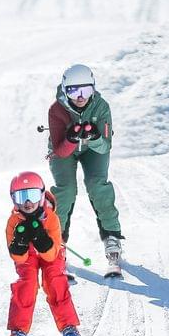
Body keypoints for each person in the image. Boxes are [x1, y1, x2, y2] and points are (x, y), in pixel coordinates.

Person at [47, 64, 124, 267]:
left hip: (93, 149)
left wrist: (95, 136)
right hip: (65, 148)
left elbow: (105, 146)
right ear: (64, 90)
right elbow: (60, 150)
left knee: (98, 185)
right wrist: (71, 138)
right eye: (73, 90)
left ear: (93, 88)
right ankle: (56, 242)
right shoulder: (57, 110)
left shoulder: (101, 106)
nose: (80, 97)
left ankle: (111, 235)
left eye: (86, 90)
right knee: (65, 190)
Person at [6, 171, 81, 336]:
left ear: (40, 195)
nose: (28, 203)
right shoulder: (14, 222)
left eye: (31, 195)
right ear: (14, 199)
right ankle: (18, 332)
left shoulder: (51, 218)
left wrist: (41, 238)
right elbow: (18, 258)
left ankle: (69, 329)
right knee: (27, 283)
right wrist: (20, 244)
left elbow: (51, 255)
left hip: (50, 253)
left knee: (55, 280)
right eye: (21, 197)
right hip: (28, 256)